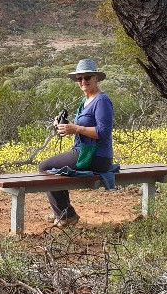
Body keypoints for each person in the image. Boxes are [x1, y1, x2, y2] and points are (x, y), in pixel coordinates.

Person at [38, 58, 114, 227]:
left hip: (97, 156)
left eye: (87, 77)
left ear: (96, 78)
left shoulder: (102, 101)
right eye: (79, 78)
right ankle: (64, 212)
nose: (83, 81)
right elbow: (82, 127)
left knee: (45, 167)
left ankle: (66, 215)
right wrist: (64, 126)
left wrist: (76, 129)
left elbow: (103, 132)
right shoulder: (84, 101)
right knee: (52, 167)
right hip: (84, 152)